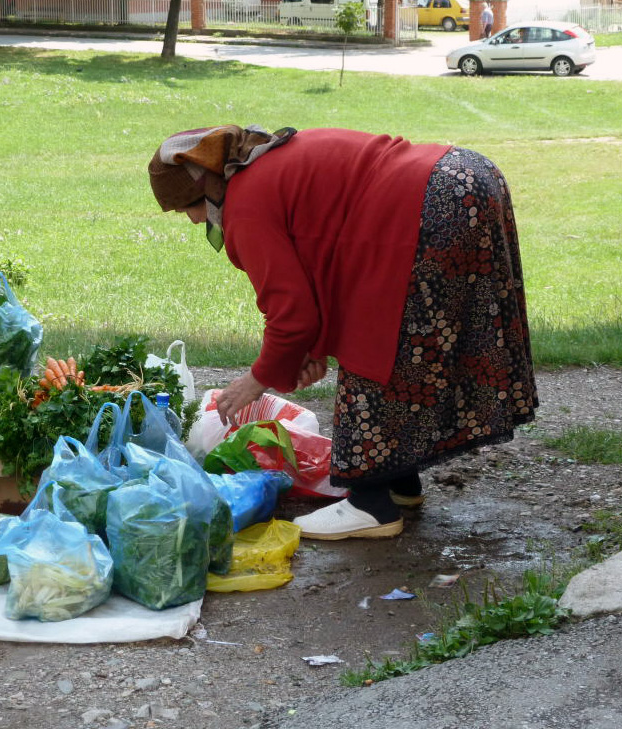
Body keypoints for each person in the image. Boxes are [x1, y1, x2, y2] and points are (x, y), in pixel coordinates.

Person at [147, 126, 538, 540]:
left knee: (376, 341)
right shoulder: (265, 165)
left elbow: (291, 312)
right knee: (418, 344)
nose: (192, 219)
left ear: (205, 186)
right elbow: (323, 253)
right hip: (468, 177)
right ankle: (400, 480)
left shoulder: (244, 205)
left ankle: (370, 504)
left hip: (427, 203)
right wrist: (310, 350)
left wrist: (256, 381)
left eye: (187, 208)